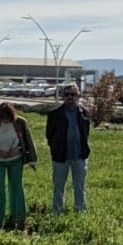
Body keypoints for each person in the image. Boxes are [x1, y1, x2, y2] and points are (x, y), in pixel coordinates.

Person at [0, 102, 36, 228]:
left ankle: (18, 219)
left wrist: (29, 158)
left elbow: (28, 141)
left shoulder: (21, 122)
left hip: (16, 159)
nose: (4, 120)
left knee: (17, 188)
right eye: (2, 118)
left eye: (7, 118)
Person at [45, 84, 93, 215]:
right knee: (59, 186)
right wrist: (55, 147)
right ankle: (57, 210)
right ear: (63, 97)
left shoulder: (84, 113)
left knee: (80, 186)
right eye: (67, 94)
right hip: (60, 156)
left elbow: (86, 133)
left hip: (80, 156)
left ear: (78, 96)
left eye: (73, 94)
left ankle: (80, 210)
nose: (70, 97)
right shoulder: (54, 114)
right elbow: (49, 135)